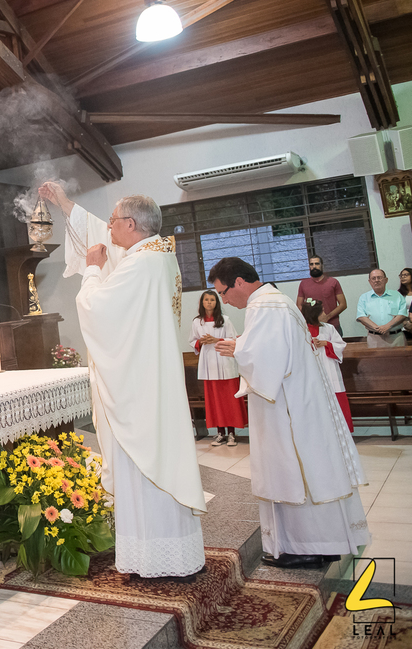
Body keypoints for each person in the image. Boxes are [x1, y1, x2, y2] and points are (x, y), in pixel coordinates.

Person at [39, 183, 206, 579]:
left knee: (139, 465)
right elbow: (101, 234)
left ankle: (151, 558)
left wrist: (93, 270)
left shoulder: (140, 264)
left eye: (114, 221)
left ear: (131, 224)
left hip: (137, 389)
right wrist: (64, 205)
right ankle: (171, 554)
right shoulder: (157, 255)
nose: (109, 228)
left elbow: (97, 308)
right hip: (151, 379)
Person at [209, 257, 369, 568]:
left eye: (224, 292)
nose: (225, 300)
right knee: (310, 469)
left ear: (239, 282)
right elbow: (275, 348)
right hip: (299, 402)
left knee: (294, 470)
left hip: (288, 409)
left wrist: (239, 349)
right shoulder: (278, 300)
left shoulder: (264, 306)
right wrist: (242, 343)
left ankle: (304, 547)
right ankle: (321, 543)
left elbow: (268, 360)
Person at [190, 290, 245, 446]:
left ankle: (232, 433)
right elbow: (192, 341)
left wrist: (216, 339)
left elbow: (234, 339)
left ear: (217, 302)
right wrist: (201, 342)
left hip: (225, 363)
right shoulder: (197, 322)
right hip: (209, 366)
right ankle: (220, 433)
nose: (209, 302)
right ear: (202, 302)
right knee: (215, 402)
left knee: (229, 401)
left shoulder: (225, 320)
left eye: (212, 299)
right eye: (206, 300)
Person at [301, 300, 351, 432]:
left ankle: (341, 430)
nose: (325, 313)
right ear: (313, 314)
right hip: (310, 371)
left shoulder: (329, 328)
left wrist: (326, 344)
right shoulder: (301, 330)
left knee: (335, 396)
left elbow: (340, 345)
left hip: (329, 369)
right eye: (322, 311)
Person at [356, 268, 408, 348]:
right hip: (374, 339)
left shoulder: (397, 295)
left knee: (400, 360)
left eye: (379, 277)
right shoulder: (364, 297)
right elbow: (361, 317)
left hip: (396, 338)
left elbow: (402, 314)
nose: (376, 280)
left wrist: (387, 326)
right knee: (376, 361)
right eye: (373, 278)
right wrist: (378, 329)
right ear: (369, 282)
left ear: (386, 280)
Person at [295, 255, 347, 331]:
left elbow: (343, 304)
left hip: (332, 326)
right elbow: (299, 305)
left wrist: (327, 317)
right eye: (311, 264)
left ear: (322, 265)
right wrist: (311, 319)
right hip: (311, 327)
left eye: (317, 264)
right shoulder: (303, 284)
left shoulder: (333, 282)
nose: (314, 266)